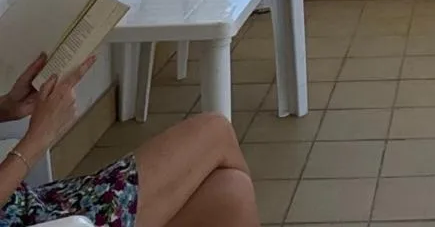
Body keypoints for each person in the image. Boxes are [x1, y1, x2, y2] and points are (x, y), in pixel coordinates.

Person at [0, 54, 258, 227]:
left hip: (27, 203)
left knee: (231, 192)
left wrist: (7, 108)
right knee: (214, 131)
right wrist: (37, 139)